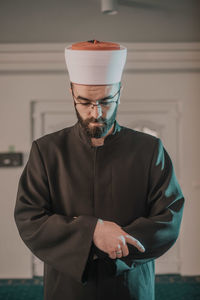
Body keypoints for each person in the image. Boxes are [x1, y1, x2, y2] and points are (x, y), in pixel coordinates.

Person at [14, 40, 185, 300]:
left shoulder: (150, 149)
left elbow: (169, 218)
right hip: (68, 288)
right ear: (72, 93)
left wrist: (116, 243)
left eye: (106, 101)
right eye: (85, 102)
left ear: (120, 91)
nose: (97, 113)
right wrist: (92, 231)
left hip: (129, 285)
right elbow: (29, 219)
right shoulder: (47, 151)